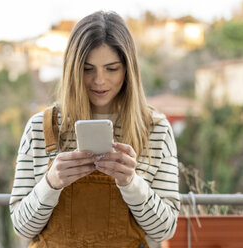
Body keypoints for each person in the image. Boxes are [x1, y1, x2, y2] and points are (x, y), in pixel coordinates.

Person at [10, 11, 180, 248]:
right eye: (88, 69)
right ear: (72, 69)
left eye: (111, 68)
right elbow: (22, 228)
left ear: (128, 70)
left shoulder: (155, 130)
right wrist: (51, 183)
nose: (99, 80)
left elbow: (164, 230)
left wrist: (132, 183)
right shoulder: (41, 128)